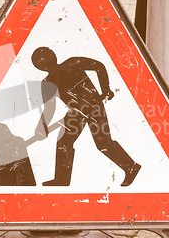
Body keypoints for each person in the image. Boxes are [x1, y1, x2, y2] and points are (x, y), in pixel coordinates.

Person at [32, 46, 141, 187]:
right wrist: (42, 126)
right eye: (45, 60)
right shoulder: (47, 83)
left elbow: (99, 67)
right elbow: (49, 107)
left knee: (103, 144)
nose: (49, 61)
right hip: (76, 113)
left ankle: (131, 167)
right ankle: (62, 180)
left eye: (48, 56)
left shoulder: (72, 63)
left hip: (94, 108)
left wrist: (105, 90)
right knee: (64, 143)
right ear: (41, 67)